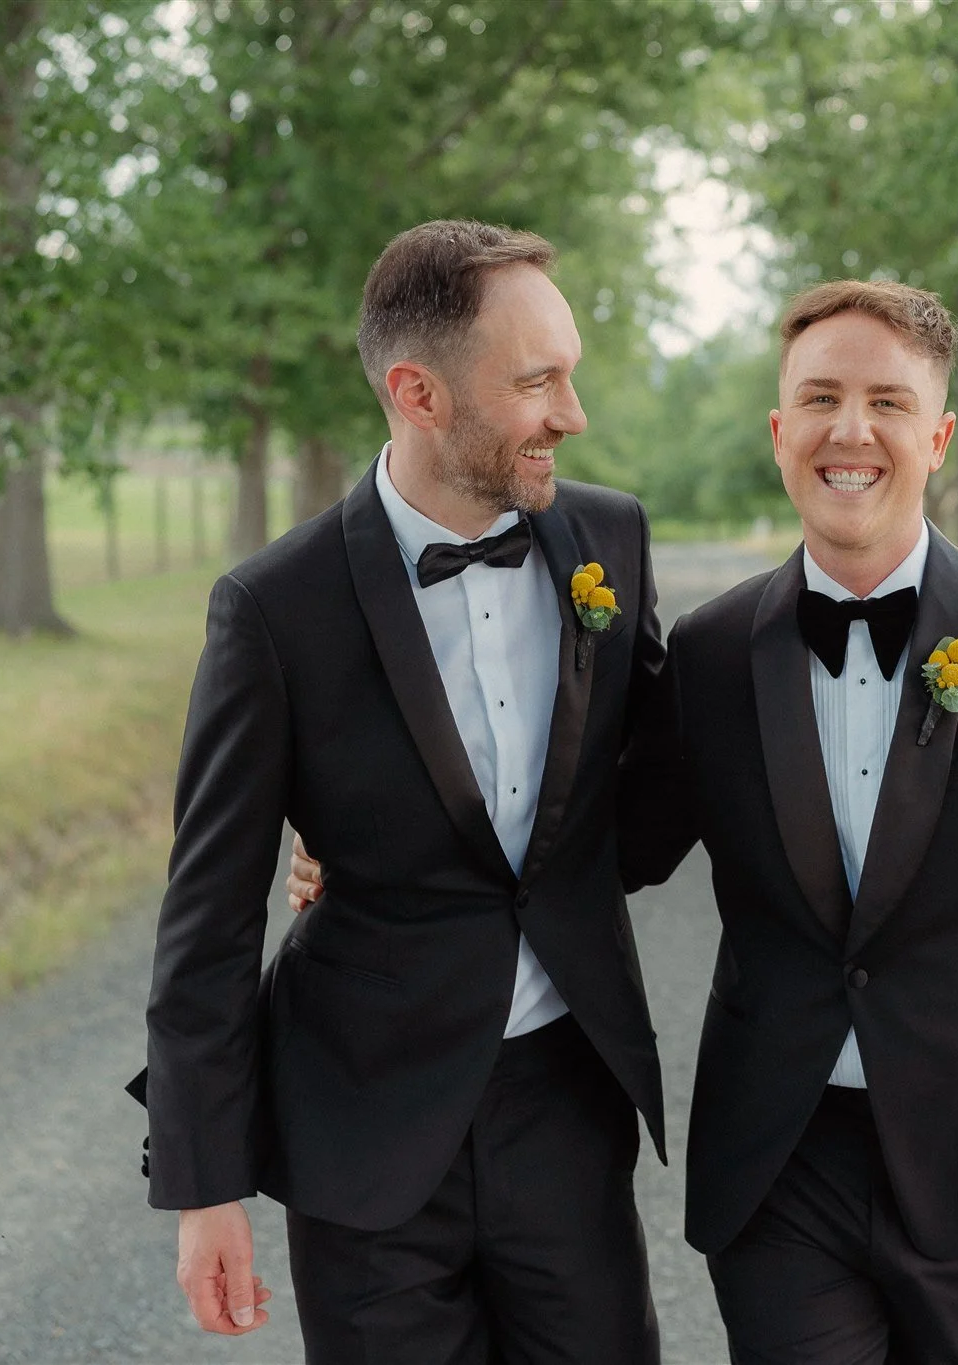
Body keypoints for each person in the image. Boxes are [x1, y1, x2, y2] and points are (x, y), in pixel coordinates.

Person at [290, 278, 958, 1364]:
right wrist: (380, 854)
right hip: (777, 1150)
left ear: (938, 436)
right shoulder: (715, 655)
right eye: (818, 399)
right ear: (779, 432)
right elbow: (605, 839)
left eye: (887, 404)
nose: (848, 431)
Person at [132, 219, 665, 1364]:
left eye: (568, 372)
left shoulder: (607, 539)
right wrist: (204, 1186)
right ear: (419, 394)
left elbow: (657, 784)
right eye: (535, 382)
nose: (570, 413)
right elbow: (208, 917)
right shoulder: (275, 608)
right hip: (361, 1126)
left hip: (567, 1103)